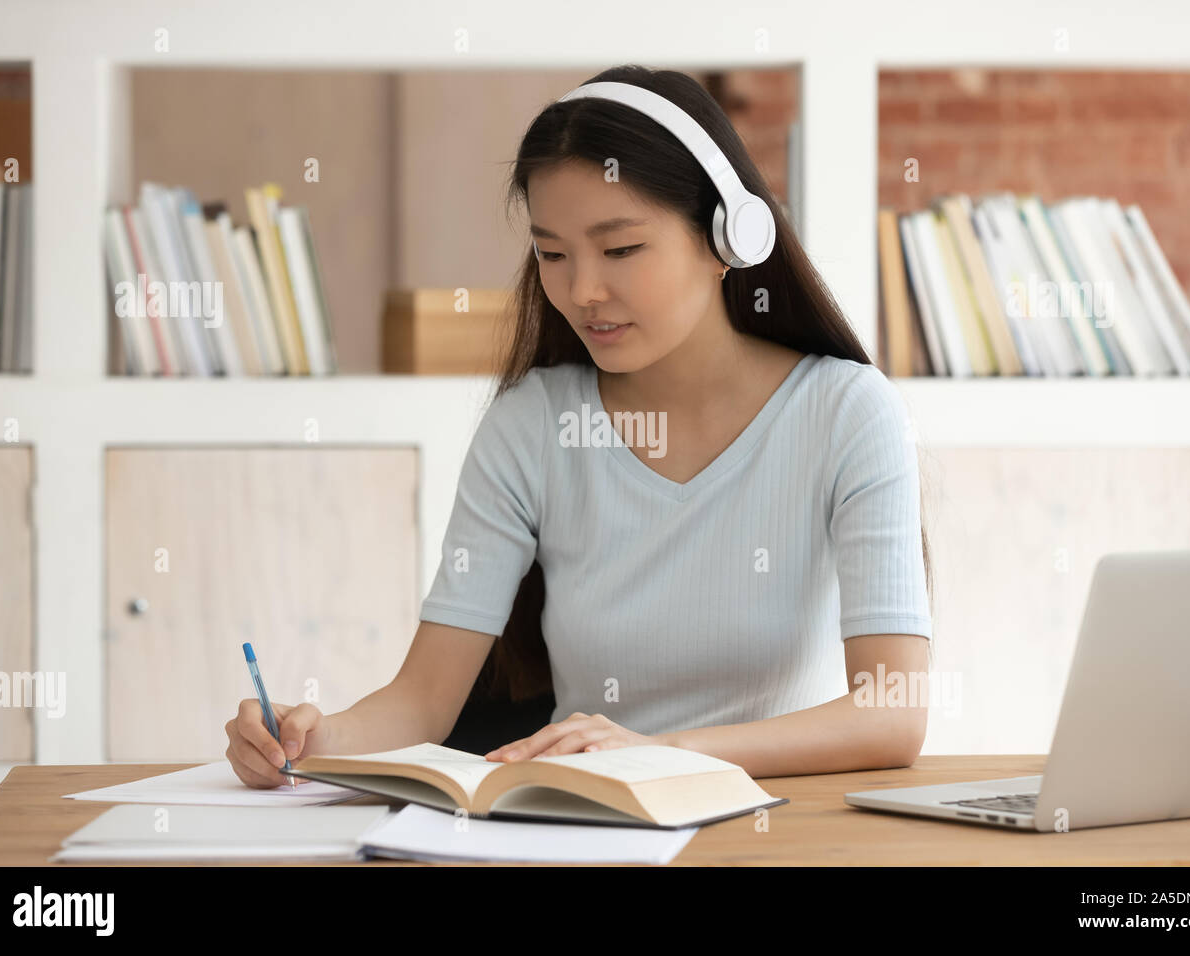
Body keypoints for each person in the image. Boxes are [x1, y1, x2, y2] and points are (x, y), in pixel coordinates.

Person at [226, 64, 934, 788]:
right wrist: (311, 735)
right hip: (583, 825)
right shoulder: (532, 425)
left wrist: (665, 754)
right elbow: (422, 703)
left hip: (773, 825)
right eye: (552, 254)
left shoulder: (847, 412)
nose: (582, 291)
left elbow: (892, 712)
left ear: (728, 237)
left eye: (621, 249)